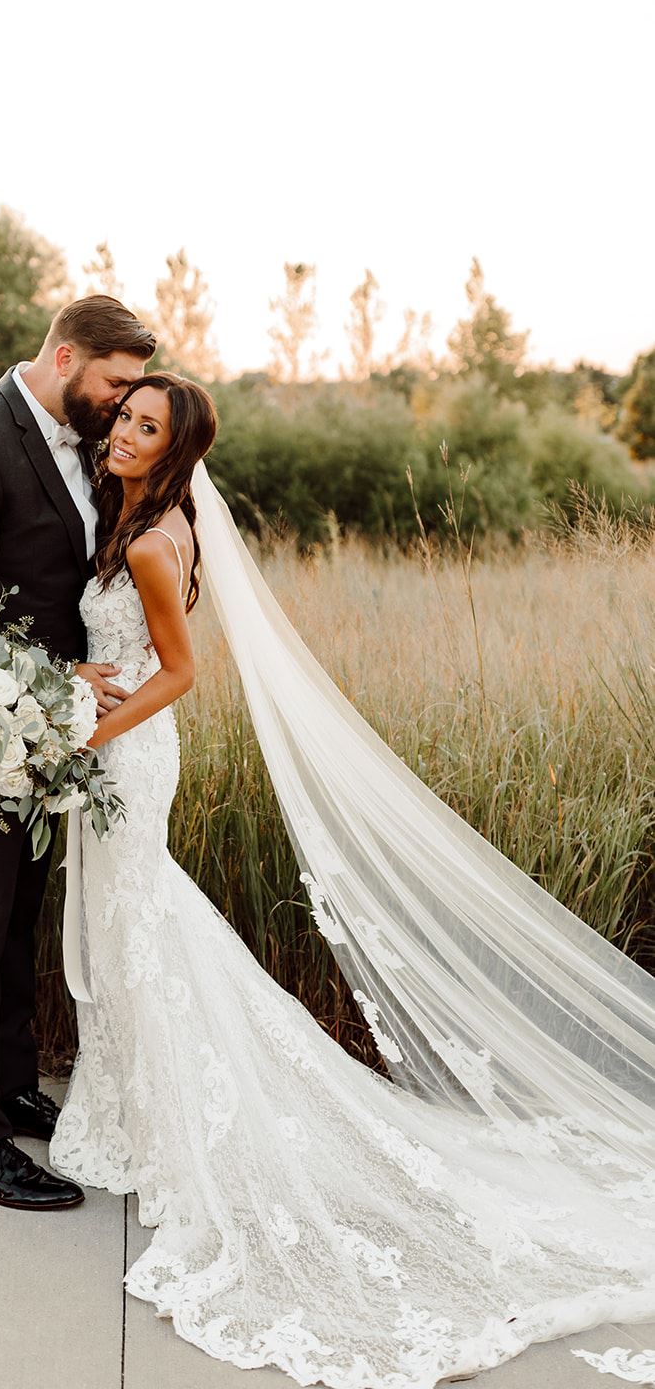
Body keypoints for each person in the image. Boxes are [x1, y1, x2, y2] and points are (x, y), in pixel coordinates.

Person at [48, 372, 655, 1388]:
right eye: (123, 415)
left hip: (128, 753)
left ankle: (160, 1120)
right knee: (128, 925)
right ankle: (134, 1106)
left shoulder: (154, 541)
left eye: (145, 426)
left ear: (174, 450)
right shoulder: (138, 518)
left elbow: (180, 670)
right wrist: (74, 680)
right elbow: (117, 649)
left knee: (140, 921)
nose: (122, 431)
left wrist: (86, 735)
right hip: (115, 743)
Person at [0, 294, 155, 1211]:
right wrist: (66, 676)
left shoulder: (76, 435)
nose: (124, 401)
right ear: (64, 359)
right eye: (115, 383)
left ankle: (9, 1086)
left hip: (49, 723)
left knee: (18, 912)